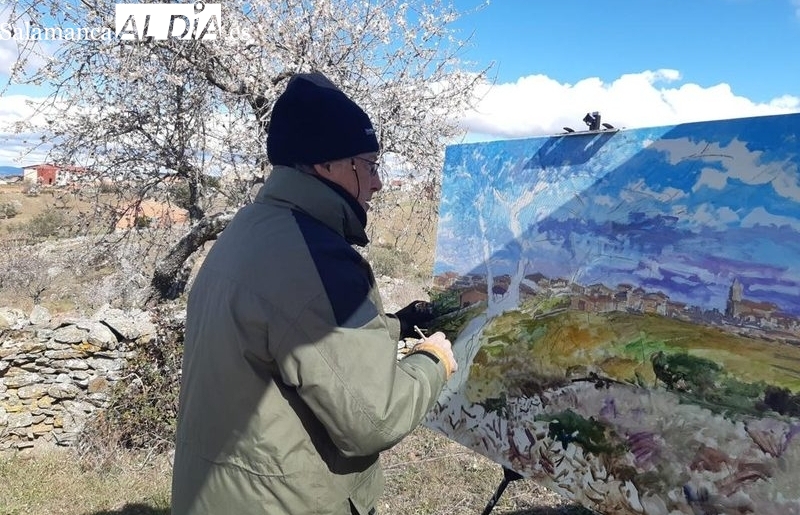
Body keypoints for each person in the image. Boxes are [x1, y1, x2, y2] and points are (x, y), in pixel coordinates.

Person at [171, 72, 457, 515]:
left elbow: (296, 331)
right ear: (327, 165)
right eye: (369, 165)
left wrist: (395, 325)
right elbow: (374, 419)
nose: (378, 183)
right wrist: (432, 361)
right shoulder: (319, 259)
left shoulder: (250, 227)